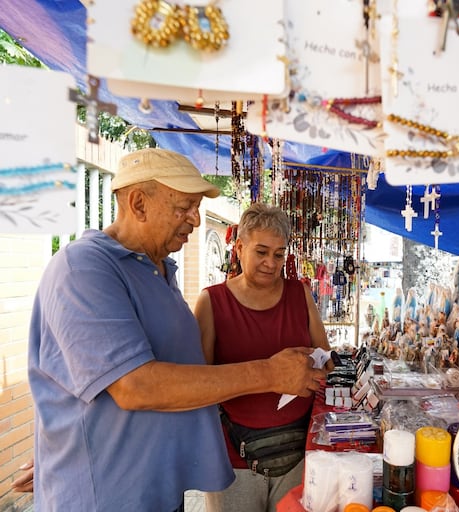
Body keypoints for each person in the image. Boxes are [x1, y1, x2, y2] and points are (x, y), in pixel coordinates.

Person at [27, 148, 327, 511]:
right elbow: (135, 386)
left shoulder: (159, 272)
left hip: (157, 489)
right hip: (105, 496)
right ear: (138, 204)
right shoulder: (83, 269)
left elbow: (185, 377)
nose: (196, 220)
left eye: (196, 207)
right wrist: (269, 373)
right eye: (183, 207)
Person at [194, 203, 332, 512]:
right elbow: (199, 384)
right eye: (261, 252)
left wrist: (313, 366)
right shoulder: (211, 302)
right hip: (233, 455)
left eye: (279, 254)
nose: (271, 263)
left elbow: (326, 359)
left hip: (298, 449)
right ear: (239, 247)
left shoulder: (300, 294)